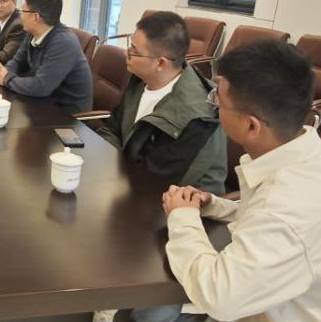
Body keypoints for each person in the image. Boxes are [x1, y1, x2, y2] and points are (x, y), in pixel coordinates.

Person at [155, 40, 321, 322]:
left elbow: (220, 295)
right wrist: (216, 207)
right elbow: (273, 222)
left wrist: (182, 218)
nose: (214, 106)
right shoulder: (313, 158)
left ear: (251, 125)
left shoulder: (289, 202)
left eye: (218, 100)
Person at [97, 12, 227, 195]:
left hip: (178, 204)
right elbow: (113, 129)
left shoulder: (194, 117)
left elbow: (157, 183)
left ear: (160, 63)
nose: (126, 53)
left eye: (134, 50)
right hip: (130, 184)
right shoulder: (141, 79)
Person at [0, 0, 92, 113]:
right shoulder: (32, 33)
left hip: (66, 114)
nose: (20, 15)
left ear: (35, 17)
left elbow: (41, 86)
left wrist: (6, 78)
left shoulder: (63, 43)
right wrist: (1, 72)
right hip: (42, 102)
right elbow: (18, 61)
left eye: (23, 11)